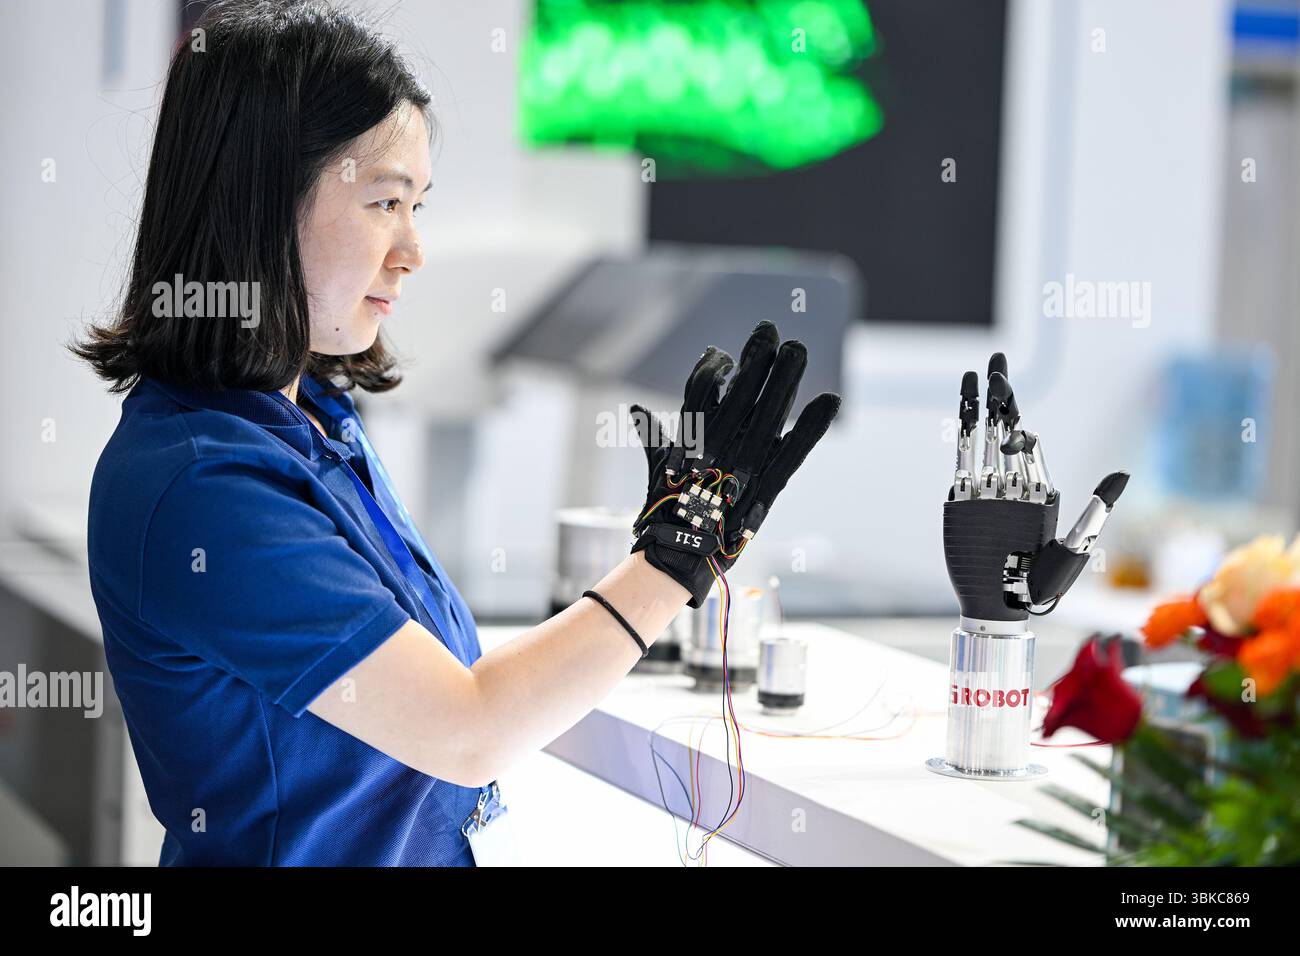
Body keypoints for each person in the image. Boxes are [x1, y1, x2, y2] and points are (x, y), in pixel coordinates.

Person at [70, 0, 837, 866]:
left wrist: (669, 549)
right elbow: (468, 727)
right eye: (385, 203)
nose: (412, 249)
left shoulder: (314, 423)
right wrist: (674, 558)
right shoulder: (204, 487)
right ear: (258, 202)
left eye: (418, 206)